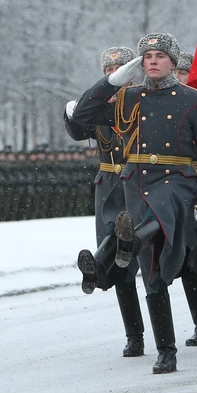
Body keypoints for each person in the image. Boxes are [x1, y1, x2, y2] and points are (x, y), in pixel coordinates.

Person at [72, 33, 197, 375]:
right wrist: (110, 83)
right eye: (148, 55)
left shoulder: (192, 100)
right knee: (152, 275)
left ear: (172, 61)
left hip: (177, 182)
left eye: (160, 55)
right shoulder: (128, 97)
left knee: (159, 216)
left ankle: (128, 242)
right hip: (137, 182)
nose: (153, 60)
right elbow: (83, 115)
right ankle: (166, 351)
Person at [66, 46, 146, 359]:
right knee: (122, 267)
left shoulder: (144, 100)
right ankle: (134, 336)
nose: (113, 72)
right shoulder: (99, 103)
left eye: (120, 67)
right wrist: (69, 113)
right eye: (107, 69)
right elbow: (78, 129)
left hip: (138, 178)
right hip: (108, 182)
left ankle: (96, 267)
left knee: (137, 255)